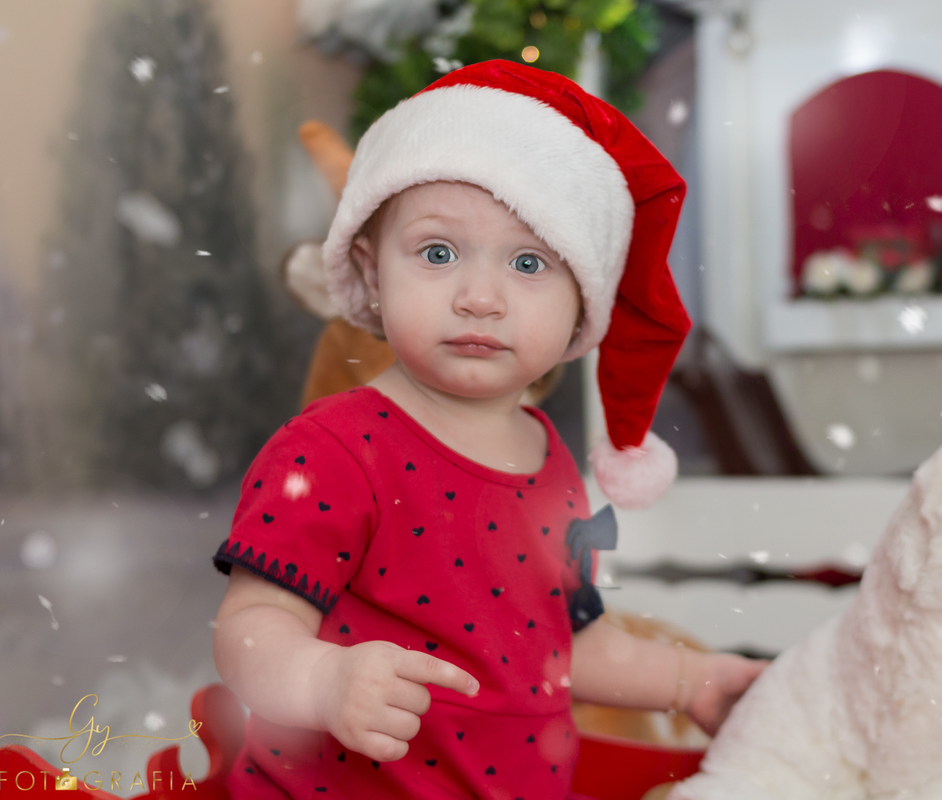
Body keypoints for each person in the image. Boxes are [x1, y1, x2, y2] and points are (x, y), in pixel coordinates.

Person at [211, 60, 768, 800]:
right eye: (437, 253)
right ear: (374, 274)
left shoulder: (550, 462)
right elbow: (250, 624)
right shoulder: (334, 449)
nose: (479, 297)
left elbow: (566, 644)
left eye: (529, 262)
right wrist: (321, 677)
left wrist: (691, 680)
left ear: (583, 305)